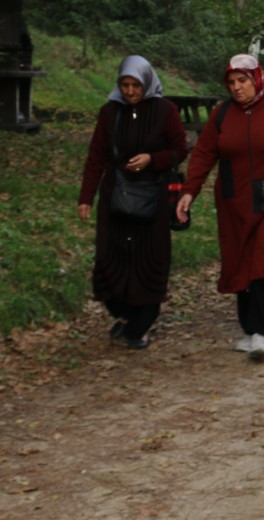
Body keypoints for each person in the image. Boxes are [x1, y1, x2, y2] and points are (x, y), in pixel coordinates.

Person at [179, 53, 264, 362]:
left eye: (243, 81)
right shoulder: (222, 114)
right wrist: (188, 193)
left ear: (257, 78)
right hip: (234, 199)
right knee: (241, 258)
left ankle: (263, 333)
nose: (237, 88)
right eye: (232, 82)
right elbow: (203, 154)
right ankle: (251, 329)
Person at [77, 55, 189, 350]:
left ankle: (140, 325)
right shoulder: (109, 112)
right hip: (116, 197)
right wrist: (86, 197)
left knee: (147, 258)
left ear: (147, 83)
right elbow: (96, 156)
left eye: (135, 85)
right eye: (124, 85)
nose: (129, 91)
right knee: (112, 258)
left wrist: (153, 159)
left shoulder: (165, 111)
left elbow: (180, 149)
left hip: (152, 198)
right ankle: (124, 315)